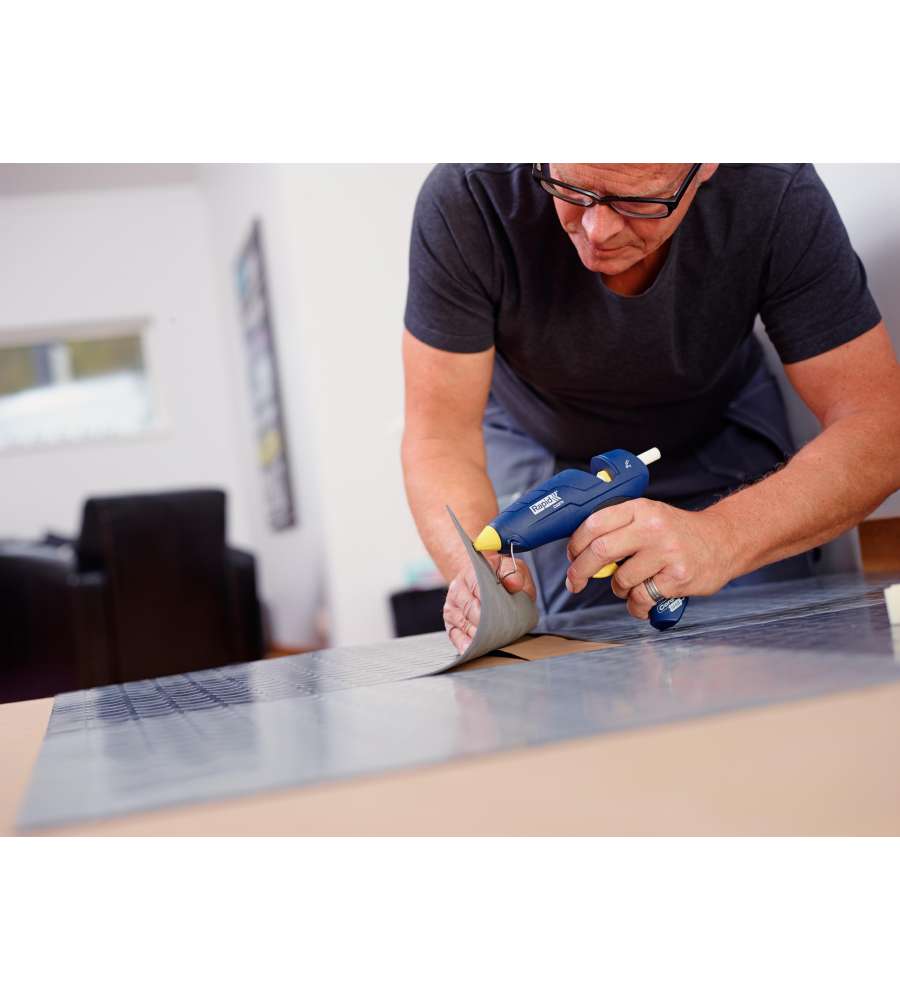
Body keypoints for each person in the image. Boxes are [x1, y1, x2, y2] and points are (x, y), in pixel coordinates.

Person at [400, 163, 900, 652]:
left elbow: (882, 425)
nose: (597, 230)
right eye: (570, 191)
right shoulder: (469, 197)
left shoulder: (775, 189)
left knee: (767, 647)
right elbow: (440, 438)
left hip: (717, 430)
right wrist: (474, 570)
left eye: (639, 201)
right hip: (546, 445)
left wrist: (723, 537)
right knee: (569, 651)